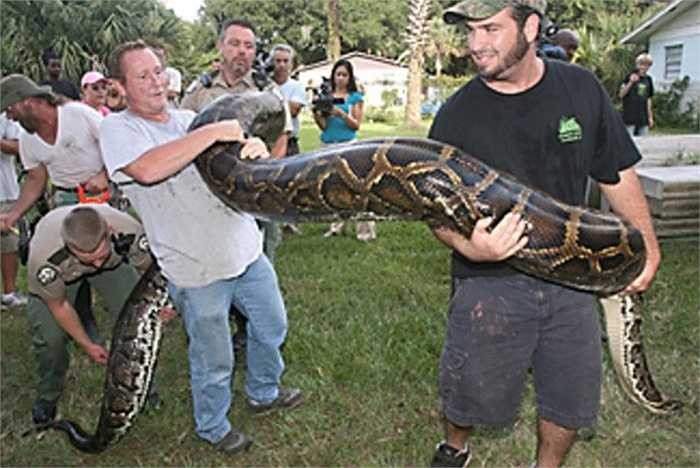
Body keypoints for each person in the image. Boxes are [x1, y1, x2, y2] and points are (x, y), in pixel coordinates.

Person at [430, 1, 661, 467]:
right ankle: (455, 449)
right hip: (488, 281)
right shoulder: (456, 115)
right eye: (471, 31)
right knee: (471, 389)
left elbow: (615, 172)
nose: (475, 44)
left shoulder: (580, 88)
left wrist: (647, 246)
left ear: (531, 27)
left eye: (490, 29)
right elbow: (432, 209)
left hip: (573, 277)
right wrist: (470, 247)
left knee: (570, 396)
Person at [99, 40, 302, 454]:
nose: (155, 81)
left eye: (157, 70)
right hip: (195, 268)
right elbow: (148, 169)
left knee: (272, 326)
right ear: (119, 86)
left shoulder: (190, 117)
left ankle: (264, 391)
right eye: (142, 75)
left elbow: (237, 163)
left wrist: (254, 152)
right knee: (214, 357)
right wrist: (212, 133)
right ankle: (213, 425)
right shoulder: (118, 130)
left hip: (244, 250)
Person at [26, 204, 167, 424]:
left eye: (101, 255)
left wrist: (161, 306)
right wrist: (88, 345)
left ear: (109, 232)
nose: (96, 263)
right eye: (88, 259)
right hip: (63, 277)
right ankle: (48, 395)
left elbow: (150, 274)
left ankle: (145, 390)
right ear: (69, 247)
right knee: (50, 338)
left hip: (115, 267)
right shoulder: (45, 260)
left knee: (137, 322)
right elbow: (59, 306)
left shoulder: (130, 231)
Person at [181, 19, 294, 261]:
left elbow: (281, 143)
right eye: (234, 44)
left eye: (249, 46)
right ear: (220, 46)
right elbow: (183, 140)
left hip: (257, 194)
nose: (242, 51)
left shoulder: (269, 92)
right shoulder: (200, 91)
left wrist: (265, 184)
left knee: (261, 259)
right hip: (210, 192)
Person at [0, 74, 110, 224]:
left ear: (27, 101)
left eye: (9, 109)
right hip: (65, 199)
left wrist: (104, 174)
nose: (9, 117)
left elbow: (116, 143)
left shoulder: (78, 113)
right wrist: (14, 215)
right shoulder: (27, 140)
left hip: (101, 194)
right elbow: (35, 178)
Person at [313, 59, 375, 242]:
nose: (340, 78)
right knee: (332, 187)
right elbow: (324, 127)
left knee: (358, 187)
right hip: (328, 145)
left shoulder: (355, 97)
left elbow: (356, 125)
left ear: (350, 77)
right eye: (337, 74)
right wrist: (317, 113)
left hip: (349, 145)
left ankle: (365, 231)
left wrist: (340, 113)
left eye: (344, 75)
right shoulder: (327, 96)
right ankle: (336, 226)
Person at [271, 43, 307, 234]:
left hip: (290, 140)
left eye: (285, 61)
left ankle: (291, 222)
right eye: (277, 61)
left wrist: (272, 101)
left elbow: (294, 110)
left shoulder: (296, 86)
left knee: (293, 181)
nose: (281, 65)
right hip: (268, 142)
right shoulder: (264, 83)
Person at [0, 112, 27, 309]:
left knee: (9, 244)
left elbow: (18, 147)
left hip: (5, 190)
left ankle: (9, 293)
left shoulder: (5, 115)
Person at [620, 53, 655, 137]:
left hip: (643, 117)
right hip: (630, 116)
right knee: (629, 143)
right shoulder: (629, 76)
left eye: (647, 65)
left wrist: (650, 117)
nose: (644, 67)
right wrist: (630, 82)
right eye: (642, 64)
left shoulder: (648, 80)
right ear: (637, 65)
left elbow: (648, 99)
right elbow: (621, 95)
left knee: (643, 143)